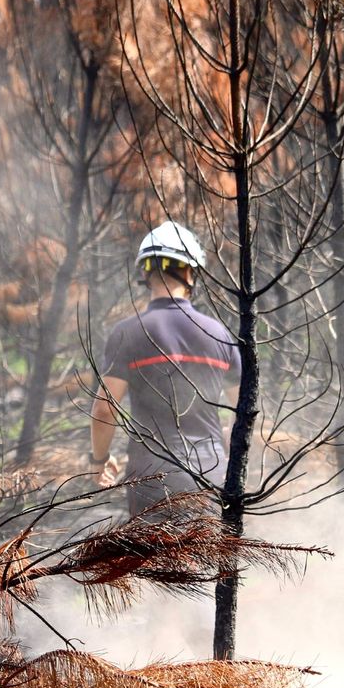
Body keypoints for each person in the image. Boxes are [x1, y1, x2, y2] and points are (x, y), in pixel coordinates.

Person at [89, 221, 241, 517]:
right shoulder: (218, 334)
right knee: (207, 559)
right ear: (190, 272)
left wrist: (99, 460)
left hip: (150, 477)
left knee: (155, 561)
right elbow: (244, 414)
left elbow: (104, 411)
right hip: (210, 473)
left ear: (145, 272)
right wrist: (226, 444)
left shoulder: (127, 333)